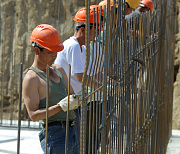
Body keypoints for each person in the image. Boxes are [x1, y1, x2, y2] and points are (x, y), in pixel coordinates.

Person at [22, 24, 80, 154]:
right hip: (55, 135)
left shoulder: (58, 70)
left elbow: (72, 96)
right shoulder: (32, 78)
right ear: (37, 51)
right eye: (50, 52)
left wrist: (79, 98)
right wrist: (60, 107)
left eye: (56, 51)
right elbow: (33, 115)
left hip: (72, 130)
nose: (54, 55)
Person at [54, 5, 104, 153]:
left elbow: (93, 73)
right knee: (72, 143)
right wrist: (101, 88)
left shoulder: (82, 47)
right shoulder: (73, 46)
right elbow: (81, 77)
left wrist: (108, 83)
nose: (96, 36)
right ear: (83, 30)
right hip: (67, 102)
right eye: (95, 32)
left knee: (77, 141)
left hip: (75, 100)